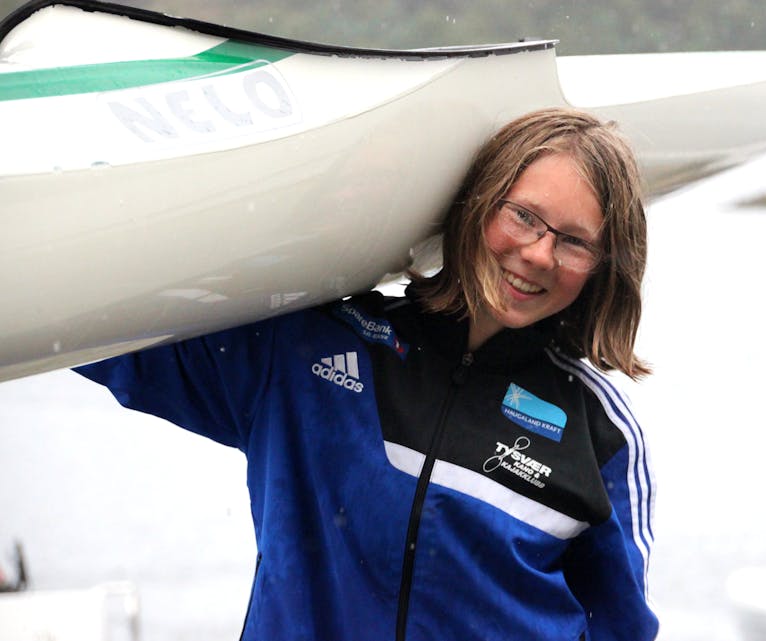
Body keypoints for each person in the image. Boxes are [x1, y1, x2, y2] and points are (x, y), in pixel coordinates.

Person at [75, 107, 659, 641]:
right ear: (480, 203)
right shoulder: (312, 346)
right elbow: (101, 333)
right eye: (525, 217)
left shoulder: (600, 434)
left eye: (575, 242)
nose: (538, 253)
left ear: (605, 267)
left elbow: (621, 628)